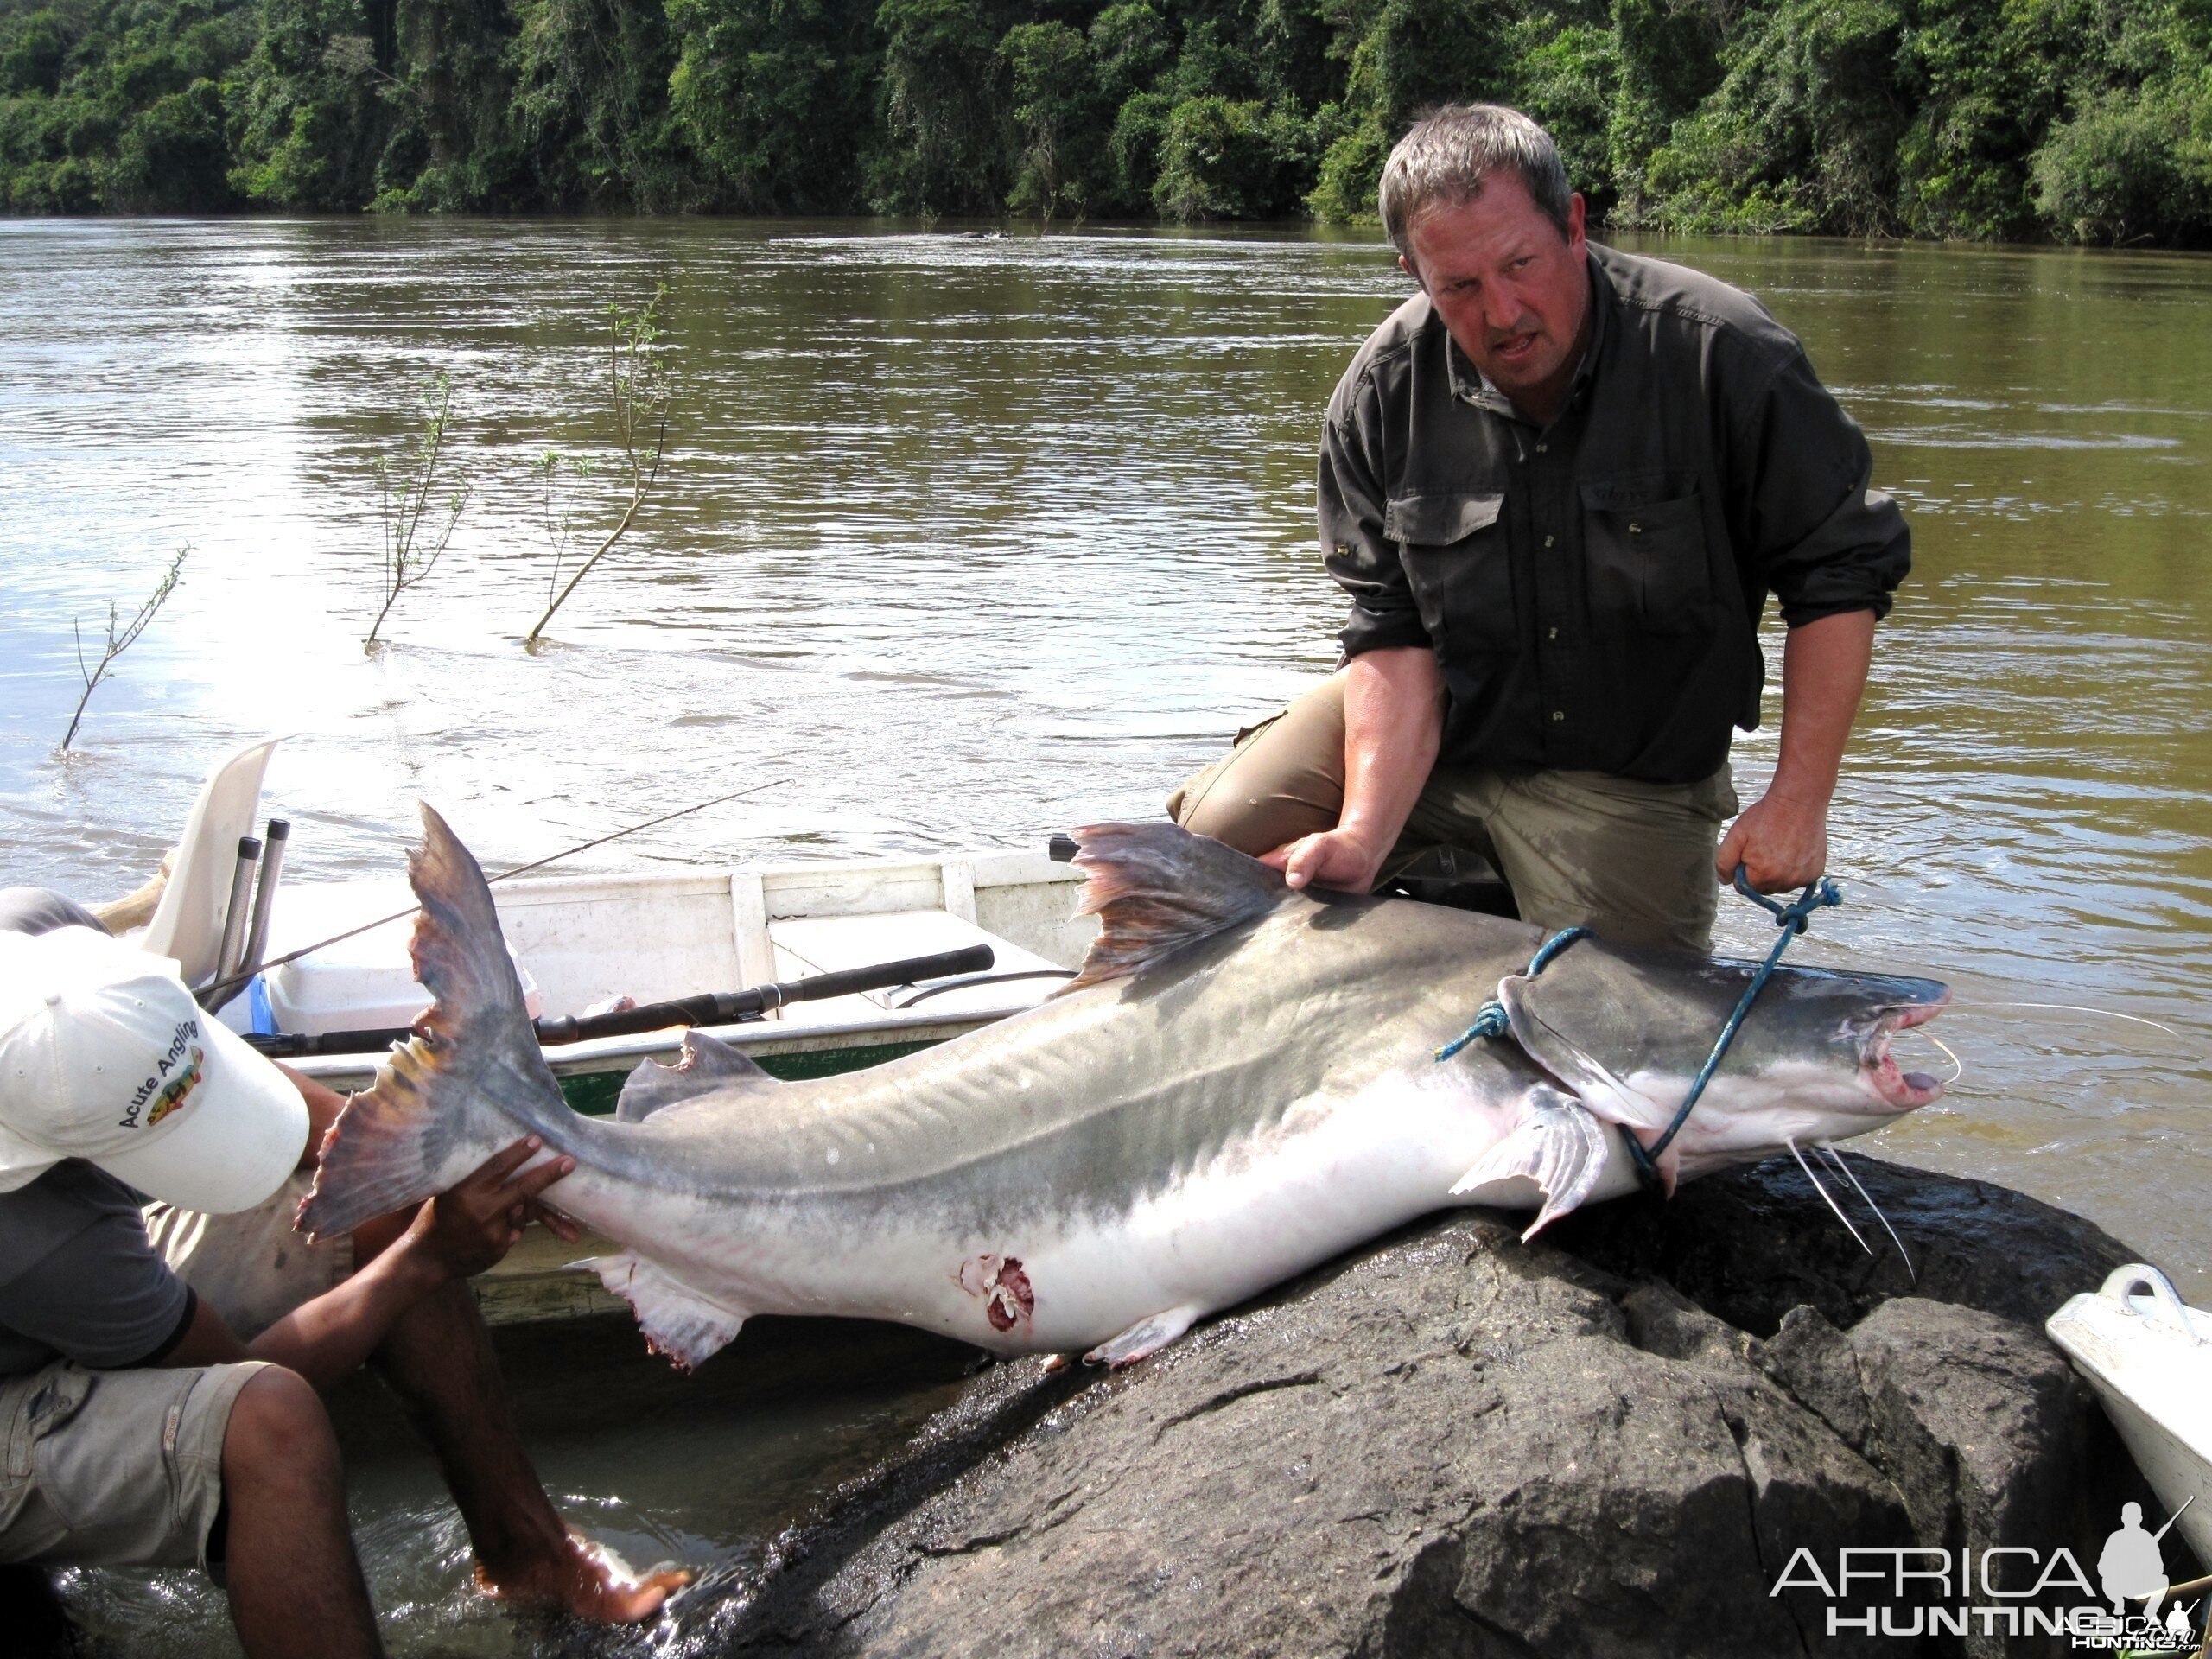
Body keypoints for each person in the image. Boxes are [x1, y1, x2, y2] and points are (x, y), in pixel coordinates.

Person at [1167, 105, 1910, 952]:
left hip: (1624, 778)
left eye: (1520, 264)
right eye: (1459, 287)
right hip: (1440, 731)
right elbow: (1391, 632)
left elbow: (1840, 572)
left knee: (1623, 1024)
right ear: (1413, 272)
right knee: (1210, 844)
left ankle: (1477, 910)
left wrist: (1798, 802)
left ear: (1573, 224)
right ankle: (1418, 916)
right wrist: (1363, 838)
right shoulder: (1381, 391)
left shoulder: (1722, 353)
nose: (1503, 311)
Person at [0, 890, 688, 1658]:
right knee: (267, 1426)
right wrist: (428, 1257)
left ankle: (529, 1555)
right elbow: (228, 1376)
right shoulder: (43, 1235)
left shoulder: (42, 942)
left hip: (76, 1257)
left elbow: (209, 1064)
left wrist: (424, 1169)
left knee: (375, 1211)